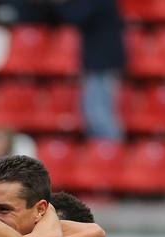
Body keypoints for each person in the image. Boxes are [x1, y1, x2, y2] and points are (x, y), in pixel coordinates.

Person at [53, 0, 125, 142]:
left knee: (99, 112)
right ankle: (102, 152)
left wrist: (60, 3)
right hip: (99, 61)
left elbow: (75, 16)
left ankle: (111, 152)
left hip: (103, 61)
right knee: (92, 111)